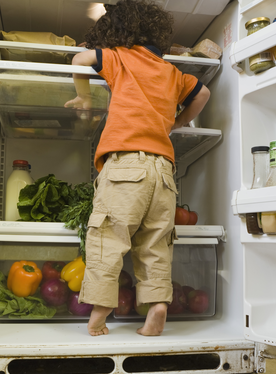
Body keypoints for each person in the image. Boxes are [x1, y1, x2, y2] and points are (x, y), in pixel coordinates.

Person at [65, 0, 210, 337]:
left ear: (118, 33)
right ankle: (157, 306)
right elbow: (202, 93)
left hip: (125, 166)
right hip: (163, 172)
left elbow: (80, 58)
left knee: (108, 238)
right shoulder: (171, 72)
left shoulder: (120, 57)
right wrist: (175, 123)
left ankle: (100, 310)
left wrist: (84, 97)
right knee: (155, 243)